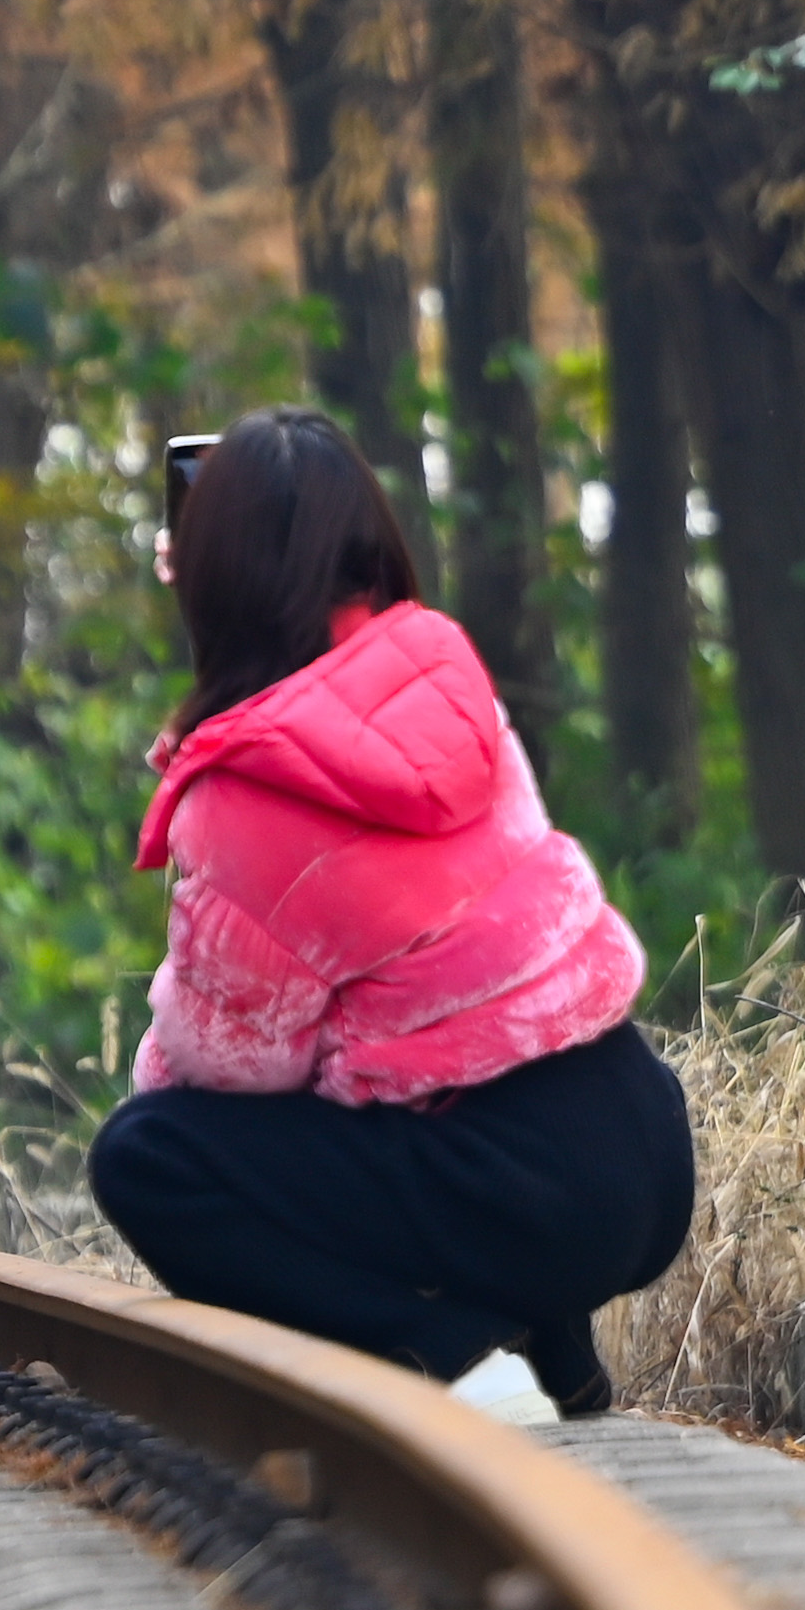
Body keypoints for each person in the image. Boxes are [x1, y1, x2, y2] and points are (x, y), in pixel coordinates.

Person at [83, 412, 688, 1416]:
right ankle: (551, 1355)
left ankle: (443, 1354)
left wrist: (155, 1089)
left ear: (210, 571)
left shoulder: (240, 792)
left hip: (515, 1190)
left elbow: (232, 1067)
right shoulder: (441, 674)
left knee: (146, 1155)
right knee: (415, 1041)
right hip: (642, 1143)